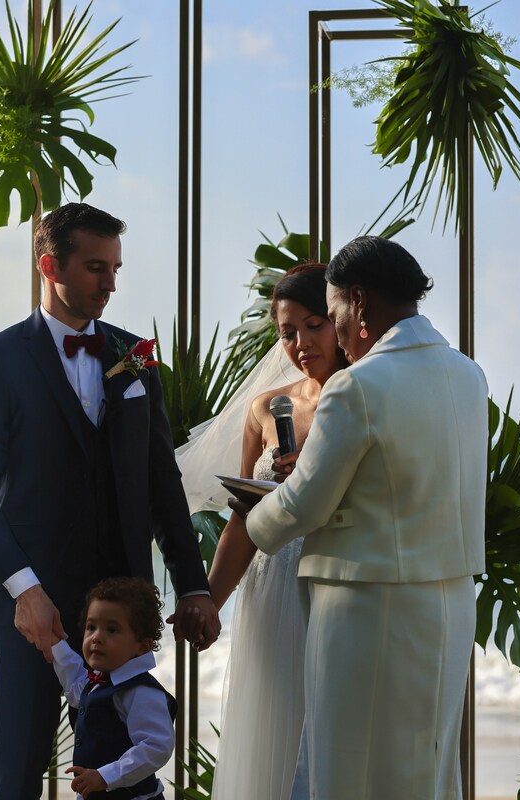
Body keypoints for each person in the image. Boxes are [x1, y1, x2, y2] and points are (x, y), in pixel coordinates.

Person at [0, 202, 219, 800]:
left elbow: (160, 480)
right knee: (16, 779)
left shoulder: (135, 356)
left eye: (116, 267)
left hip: (121, 612)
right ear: (51, 265)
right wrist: (26, 591)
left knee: (123, 784)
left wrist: (192, 584)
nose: (111, 283)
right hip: (33, 616)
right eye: (96, 267)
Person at [238, 236, 488, 799]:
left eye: (332, 317)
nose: (338, 333)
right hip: (448, 601)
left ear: (358, 302)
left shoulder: (357, 385)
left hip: (366, 606)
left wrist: (254, 518)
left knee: (348, 770)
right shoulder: (467, 375)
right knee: (425, 766)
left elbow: (305, 503)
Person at [176, 263, 347, 800]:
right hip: (275, 587)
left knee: (334, 736)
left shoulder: (367, 397)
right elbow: (244, 515)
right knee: (277, 730)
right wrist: (209, 601)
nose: (300, 343)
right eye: (287, 332)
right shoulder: (263, 410)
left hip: (341, 580)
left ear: (341, 320)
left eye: (314, 324)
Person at [51, 577, 176, 800]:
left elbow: (156, 746)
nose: (97, 637)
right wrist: (54, 644)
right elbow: (76, 687)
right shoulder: (100, 680)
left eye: (112, 630)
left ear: (143, 646)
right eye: (91, 627)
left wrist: (105, 776)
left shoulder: (141, 691)